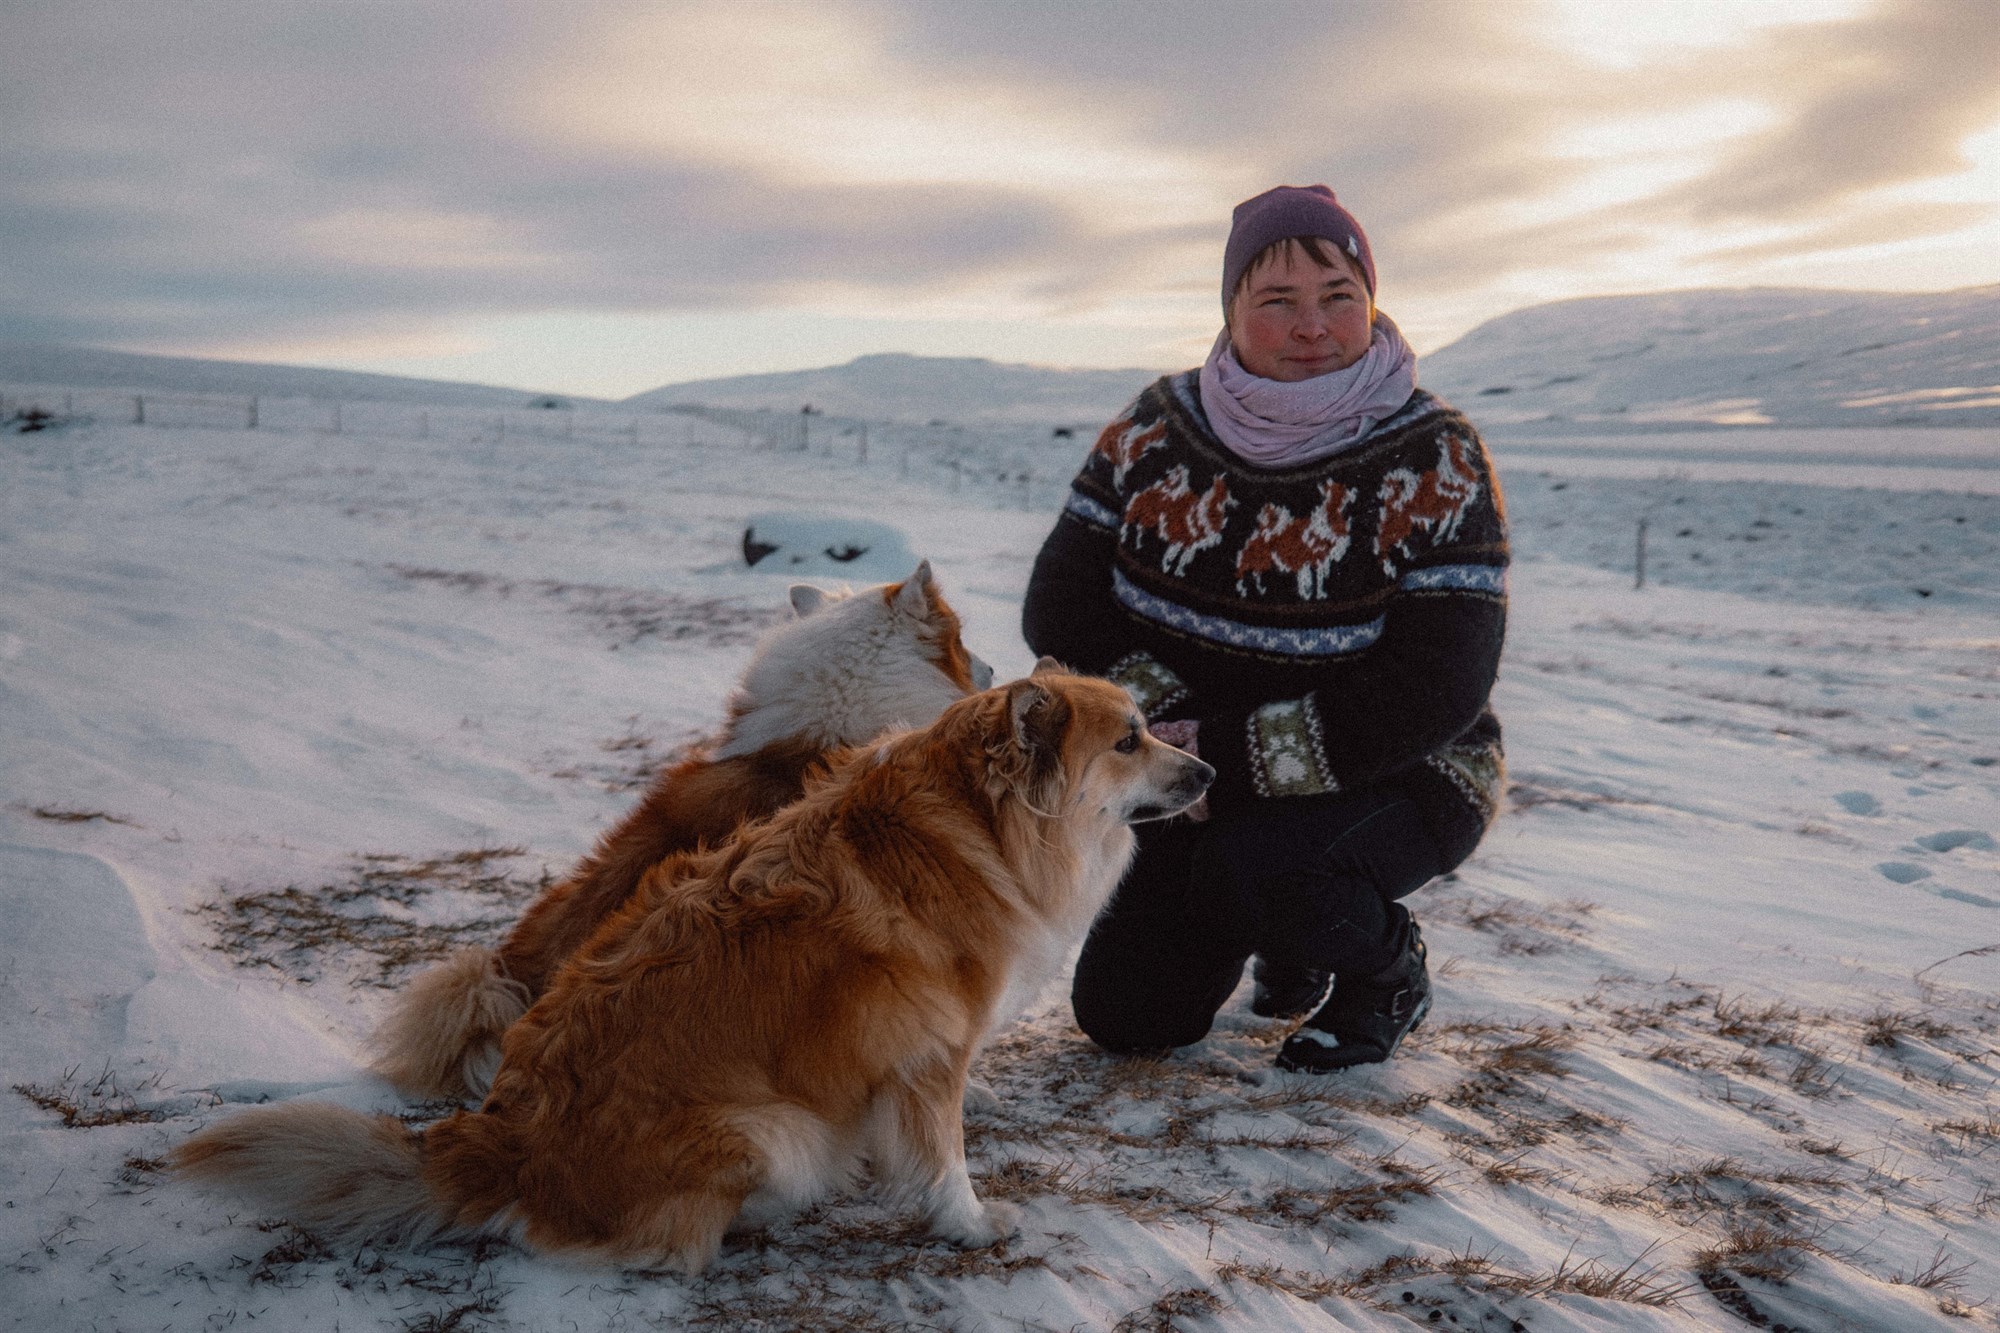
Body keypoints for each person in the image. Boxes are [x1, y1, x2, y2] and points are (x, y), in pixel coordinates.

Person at [1022, 185, 1507, 1074]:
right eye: (1276, 301)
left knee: (1263, 870)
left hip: (1396, 768)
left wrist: (1230, 762)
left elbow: (1437, 686)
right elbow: (1061, 605)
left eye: (1338, 298)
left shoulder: (1435, 454)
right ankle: (1282, 931)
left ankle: (1380, 968)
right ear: (1232, 313)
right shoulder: (1154, 427)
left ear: (1371, 303)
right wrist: (1172, 733)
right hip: (1183, 756)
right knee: (1129, 1017)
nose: (1312, 325)